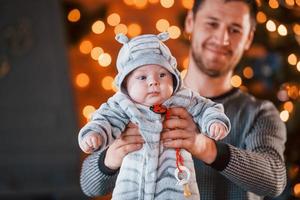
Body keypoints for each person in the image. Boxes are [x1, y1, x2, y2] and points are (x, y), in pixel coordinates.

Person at [79, 0, 287, 199]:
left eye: (235, 30)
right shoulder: (134, 102)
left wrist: (206, 147)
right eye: (212, 24)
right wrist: (112, 156)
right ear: (190, 22)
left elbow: (274, 180)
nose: (222, 38)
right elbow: (89, 186)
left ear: (248, 38)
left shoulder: (259, 112)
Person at [78, 32, 230, 200]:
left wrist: (214, 121)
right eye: (142, 77)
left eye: (162, 75)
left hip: (176, 187)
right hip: (133, 187)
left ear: (173, 77)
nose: (153, 82)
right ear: (126, 84)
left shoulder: (183, 98)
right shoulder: (122, 105)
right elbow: (104, 119)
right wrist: (94, 134)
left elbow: (206, 108)